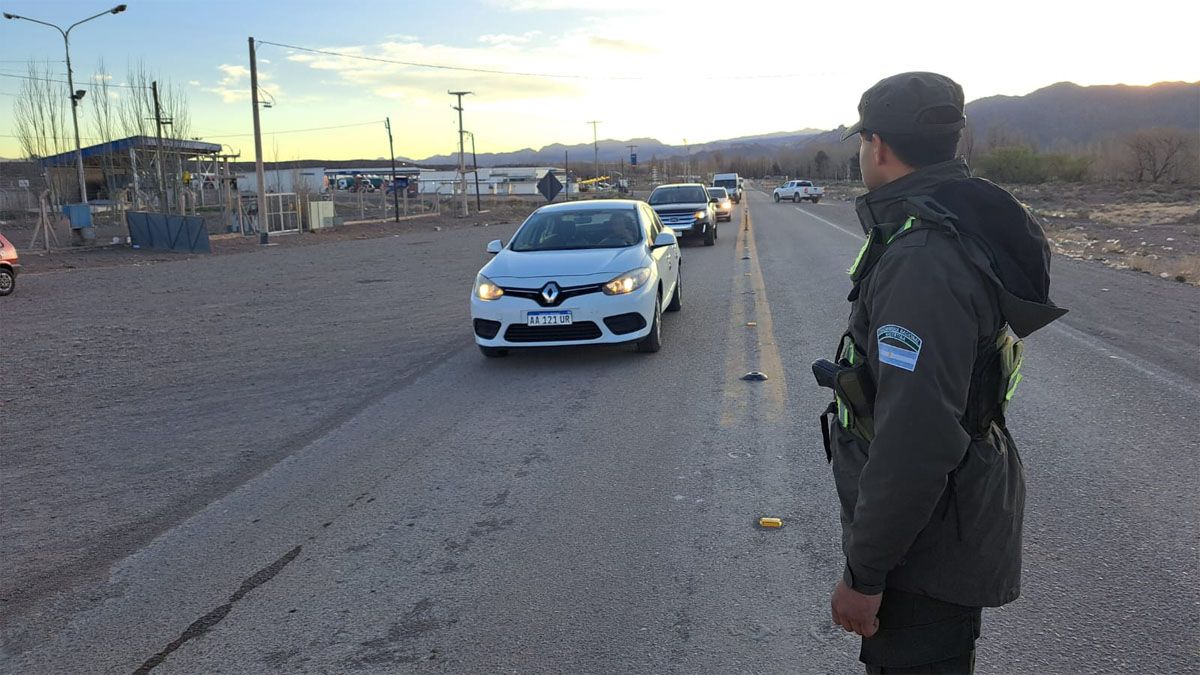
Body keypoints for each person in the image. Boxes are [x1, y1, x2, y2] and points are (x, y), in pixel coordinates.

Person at [816, 72, 1067, 674]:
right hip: (942, 524)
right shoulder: (945, 226)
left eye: (861, 142)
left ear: (877, 146)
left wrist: (865, 573)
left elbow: (916, 437)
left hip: (925, 550)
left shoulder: (924, 258)